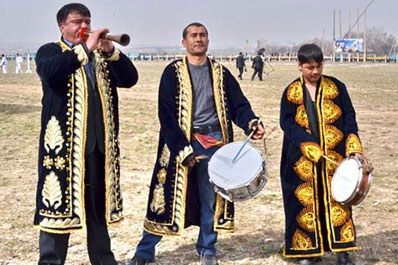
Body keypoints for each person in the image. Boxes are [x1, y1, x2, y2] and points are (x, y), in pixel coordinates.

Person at [129, 22, 265, 265]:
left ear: (208, 41)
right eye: (193, 35)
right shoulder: (172, 72)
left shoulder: (221, 72)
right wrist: (183, 149)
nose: (198, 39)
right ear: (184, 42)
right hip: (180, 141)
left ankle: (207, 249)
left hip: (215, 142)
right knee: (163, 196)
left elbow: (239, 105)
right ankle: (144, 252)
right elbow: (166, 115)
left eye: (203, 35)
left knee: (210, 196)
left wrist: (251, 123)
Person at [34, 3, 138, 265]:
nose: (85, 27)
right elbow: (51, 73)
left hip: (98, 149)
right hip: (64, 151)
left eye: (88, 22)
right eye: (77, 22)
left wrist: (111, 51)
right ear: (62, 26)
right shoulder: (50, 52)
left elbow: (130, 78)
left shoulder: (100, 57)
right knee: (56, 206)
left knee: (98, 209)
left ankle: (104, 260)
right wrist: (85, 48)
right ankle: (50, 261)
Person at [279, 43, 368, 265]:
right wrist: (305, 142)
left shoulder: (337, 87)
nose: (315, 72)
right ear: (300, 66)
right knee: (302, 204)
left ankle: (343, 251)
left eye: (318, 66)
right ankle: (307, 252)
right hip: (300, 160)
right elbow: (286, 122)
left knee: (338, 201)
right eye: (310, 67)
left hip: (334, 158)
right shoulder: (291, 91)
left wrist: (354, 148)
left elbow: (349, 118)